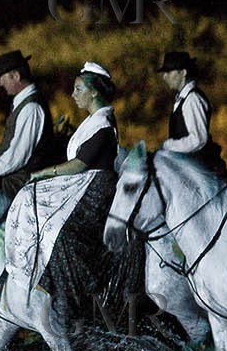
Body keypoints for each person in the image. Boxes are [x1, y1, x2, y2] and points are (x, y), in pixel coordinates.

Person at [8, 61, 136, 330]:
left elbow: (80, 164)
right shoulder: (92, 121)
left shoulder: (103, 123)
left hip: (95, 190)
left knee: (60, 233)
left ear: (94, 93)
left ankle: (76, 302)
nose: (73, 94)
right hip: (83, 185)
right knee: (29, 201)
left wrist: (45, 173)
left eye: (78, 89)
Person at [0, 50, 64, 198]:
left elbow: (17, 157)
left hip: (24, 182)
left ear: (16, 76)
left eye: (3, 78)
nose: (1, 83)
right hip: (18, 176)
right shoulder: (23, 103)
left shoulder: (31, 108)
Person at [157, 51, 224, 174]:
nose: (164, 76)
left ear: (183, 72)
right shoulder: (182, 98)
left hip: (199, 169)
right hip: (189, 166)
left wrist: (168, 146)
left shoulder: (192, 99)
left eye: (169, 72)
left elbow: (198, 139)